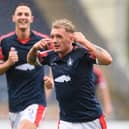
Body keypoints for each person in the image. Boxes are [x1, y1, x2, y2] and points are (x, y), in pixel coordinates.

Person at [27, 18, 112, 129]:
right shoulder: (50, 56)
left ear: (71, 39)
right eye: (52, 36)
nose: (54, 40)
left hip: (92, 120)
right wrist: (34, 48)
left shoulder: (82, 54)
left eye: (59, 36)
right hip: (66, 122)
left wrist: (85, 42)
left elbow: (107, 59)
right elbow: (31, 61)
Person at [0, 3, 53, 129]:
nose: (23, 17)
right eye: (19, 14)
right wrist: (8, 63)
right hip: (15, 105)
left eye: (26, 14)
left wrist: (51, 79)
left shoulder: (43, 41)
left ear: (31, 19)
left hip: (36, 101)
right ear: (13, 18)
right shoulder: (4, 42)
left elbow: (56, 60)